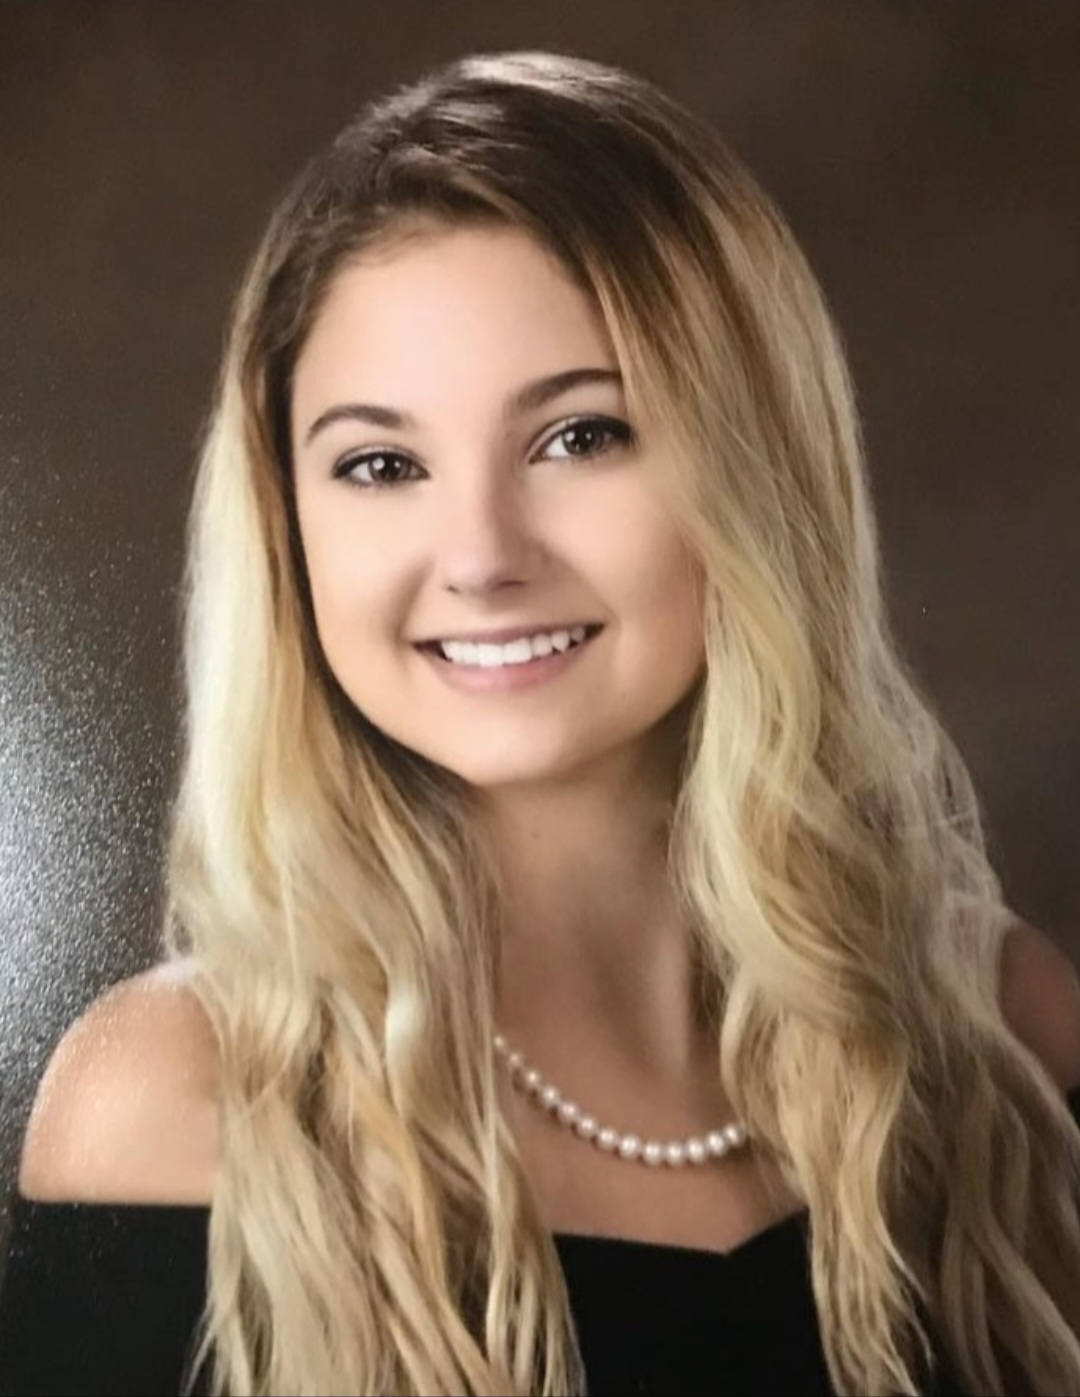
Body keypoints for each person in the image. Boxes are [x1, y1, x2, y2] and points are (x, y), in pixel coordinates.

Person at [1, 47, 1079, 1397]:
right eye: (380, 463)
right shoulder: (175, 1104)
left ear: (759, 465)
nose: (481, 557)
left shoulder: (1002, 1033)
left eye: (580, 437)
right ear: (286, 527)